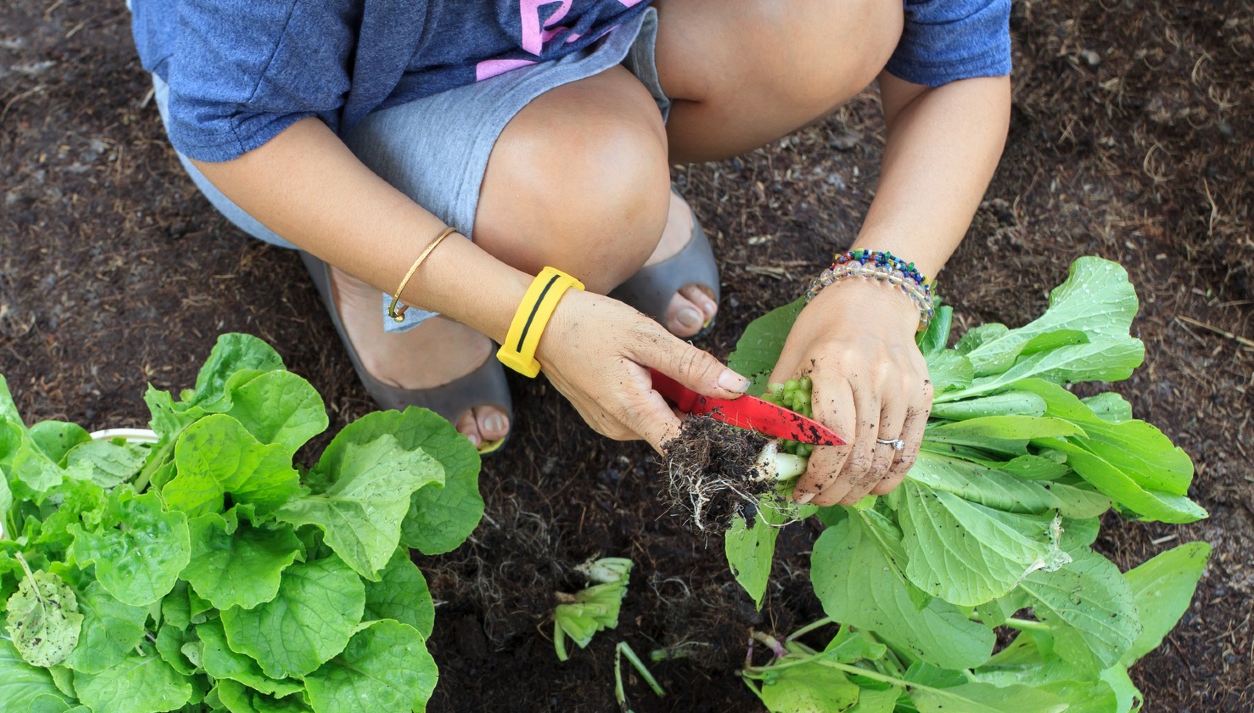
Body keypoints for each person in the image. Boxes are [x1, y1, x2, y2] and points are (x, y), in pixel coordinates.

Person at [130, 0, 1011, 507]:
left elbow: (957, 57)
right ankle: (381, 259)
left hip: (573, 27)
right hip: (314, 107)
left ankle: (588, 139)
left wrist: (881, 286)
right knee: (587, 201)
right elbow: (242, 125)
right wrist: (535, 315)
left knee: (831, 19)